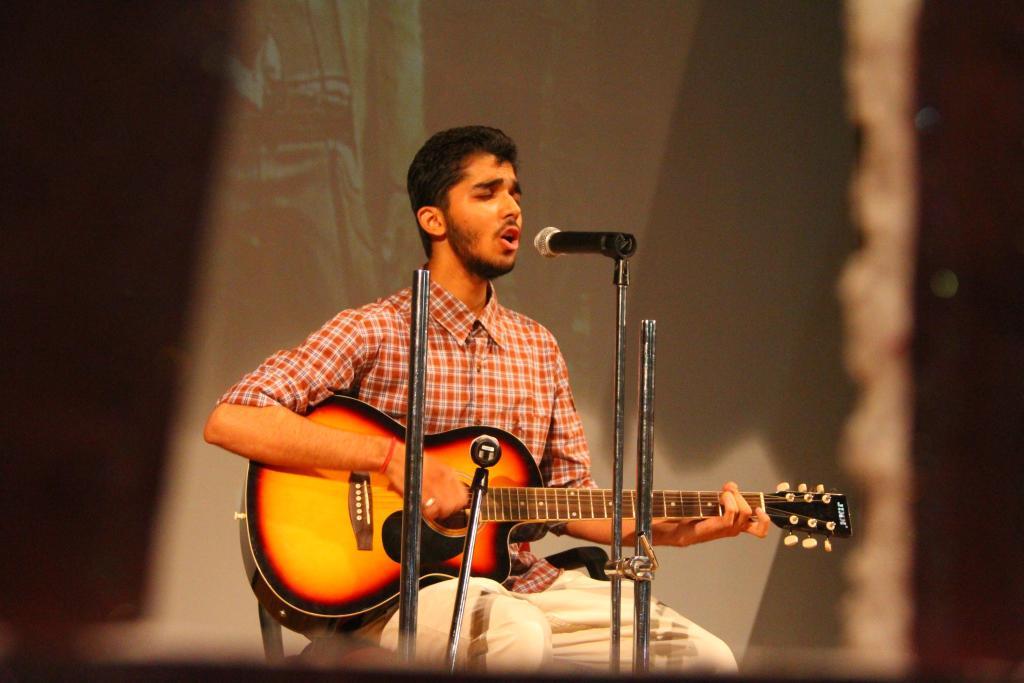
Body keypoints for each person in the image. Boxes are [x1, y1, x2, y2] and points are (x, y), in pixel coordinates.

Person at [204, 125, 770, 672]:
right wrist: (392, 459)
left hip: (517, 580)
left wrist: (677, 530)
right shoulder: (375, 330)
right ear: (433, 219)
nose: (512, 209)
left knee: (704, 658)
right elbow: (233, 418)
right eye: (487, 193)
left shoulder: (537, 347)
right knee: (516, 635)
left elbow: (570, 501)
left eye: (515, 193)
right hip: (395, 591)